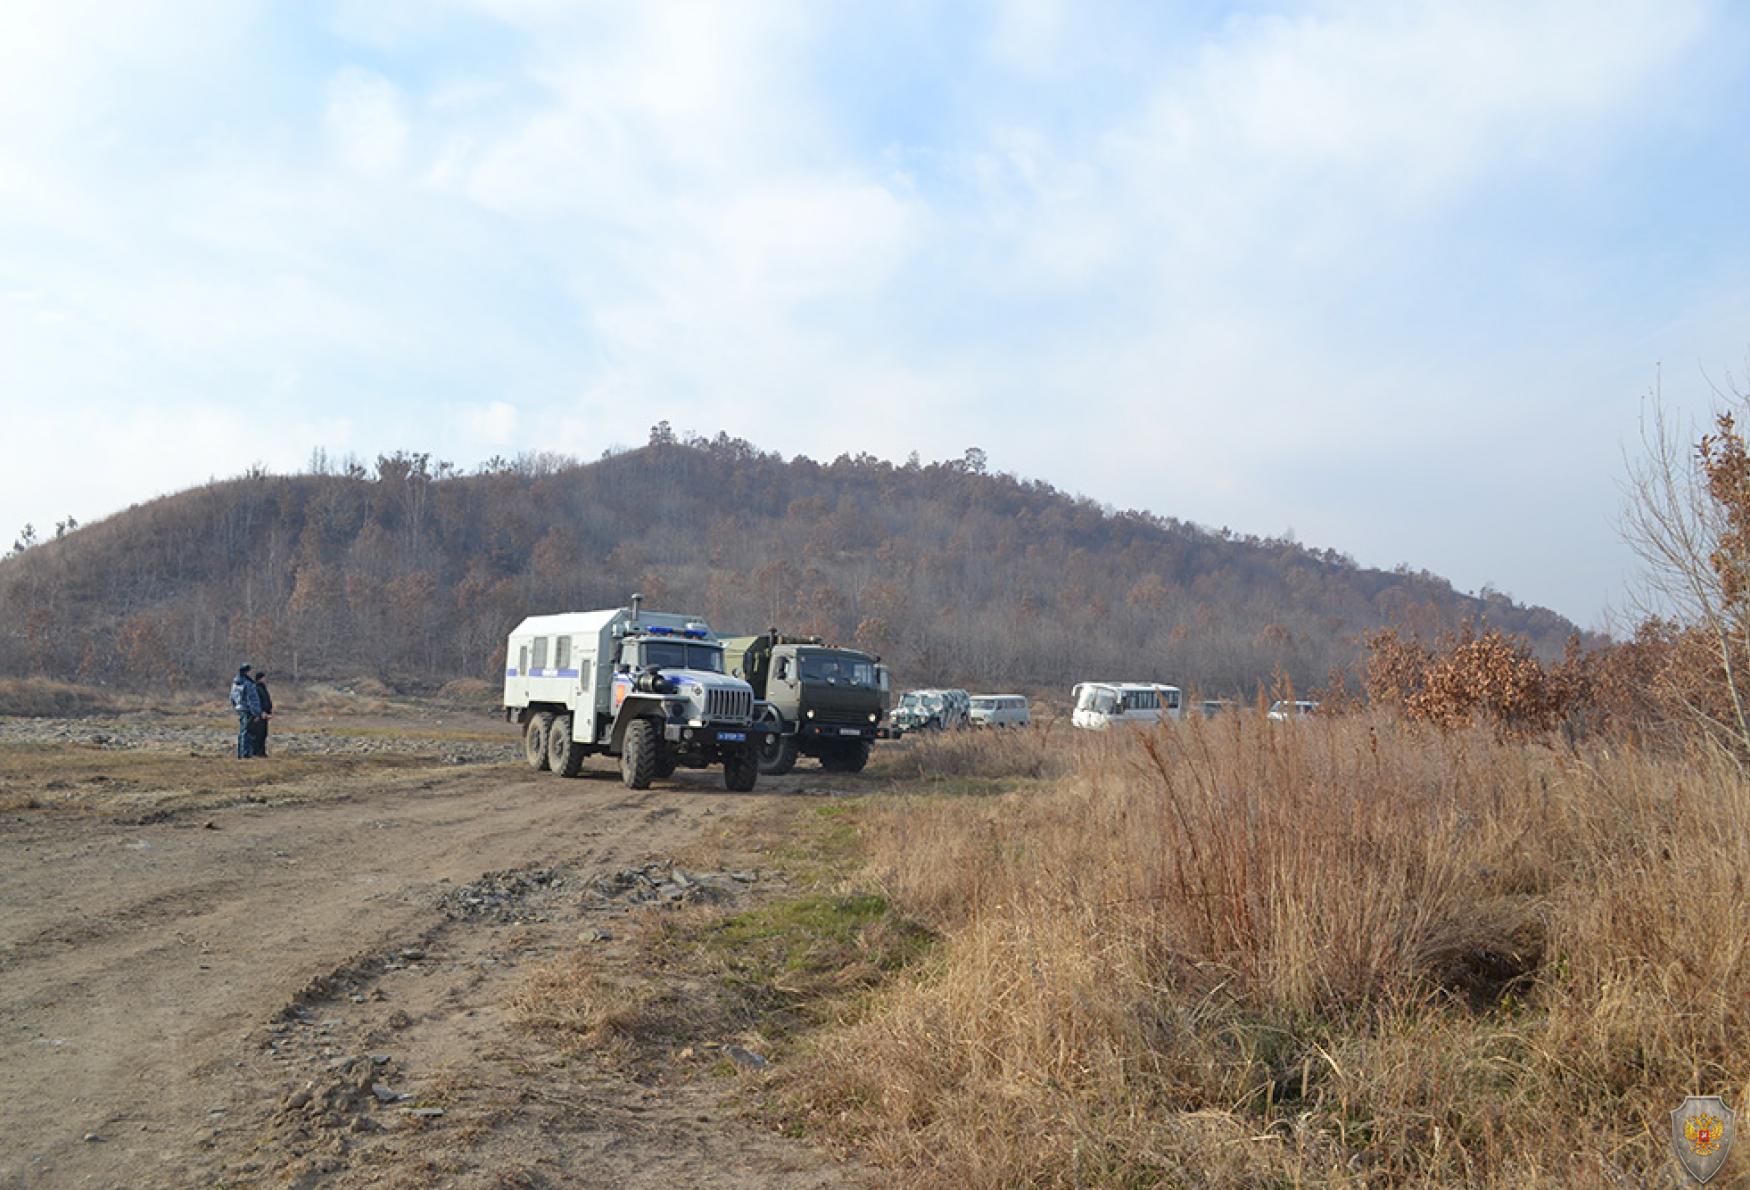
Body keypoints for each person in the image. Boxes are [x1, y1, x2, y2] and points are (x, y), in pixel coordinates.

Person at [230, 664, 262, 758]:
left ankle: (240, 753)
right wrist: (256, 712)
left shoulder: (235, 683)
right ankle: (246, 753)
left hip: (240, 708)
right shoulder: (247, 683)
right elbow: (252, 699)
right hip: (248, 710)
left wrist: (236, 706)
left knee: (242, 732)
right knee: (247, 732)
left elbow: (232, 697)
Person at [250, 670, 274, 757]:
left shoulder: (263, 688)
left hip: (265, 715)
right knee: (258, 734)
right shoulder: (256, 688)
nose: (265, 679)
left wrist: (269, 712)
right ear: (260, 679)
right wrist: (260, 713)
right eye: (264, 678)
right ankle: (257, 752)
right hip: (260, 715)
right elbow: (257, 702)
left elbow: (266, 701)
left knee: (263, 734)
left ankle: (262, 752)